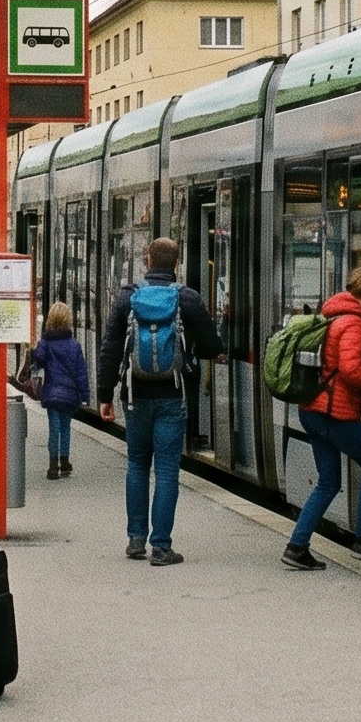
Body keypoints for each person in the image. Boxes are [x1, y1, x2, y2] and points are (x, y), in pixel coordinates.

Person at [95, 238, 217, 566]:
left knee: (137, 464)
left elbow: (109, 350)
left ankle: (135, 540)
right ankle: (161, 547)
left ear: (147, 259)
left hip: (134, 396)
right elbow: (211, 346)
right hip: (172, 396)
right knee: (166, 470)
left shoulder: (127, 298)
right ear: (177, 262)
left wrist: (105, 396)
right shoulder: (186, 298)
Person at [284, 267, 361, 571]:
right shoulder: (354, 323)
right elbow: (351, 371)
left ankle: (296, 547)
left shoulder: (331, 314)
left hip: (312, 409)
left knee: (328, 482)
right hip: (335, 412)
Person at [29, 303, 89, 480]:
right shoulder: (74, 345)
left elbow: (37, 361)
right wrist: (85, 396)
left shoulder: (45, 342)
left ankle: (53, 466)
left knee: (53, 429)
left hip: (52, 393)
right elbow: (81, 373)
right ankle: (65, 462)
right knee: (65, 428)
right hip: (69, 395)